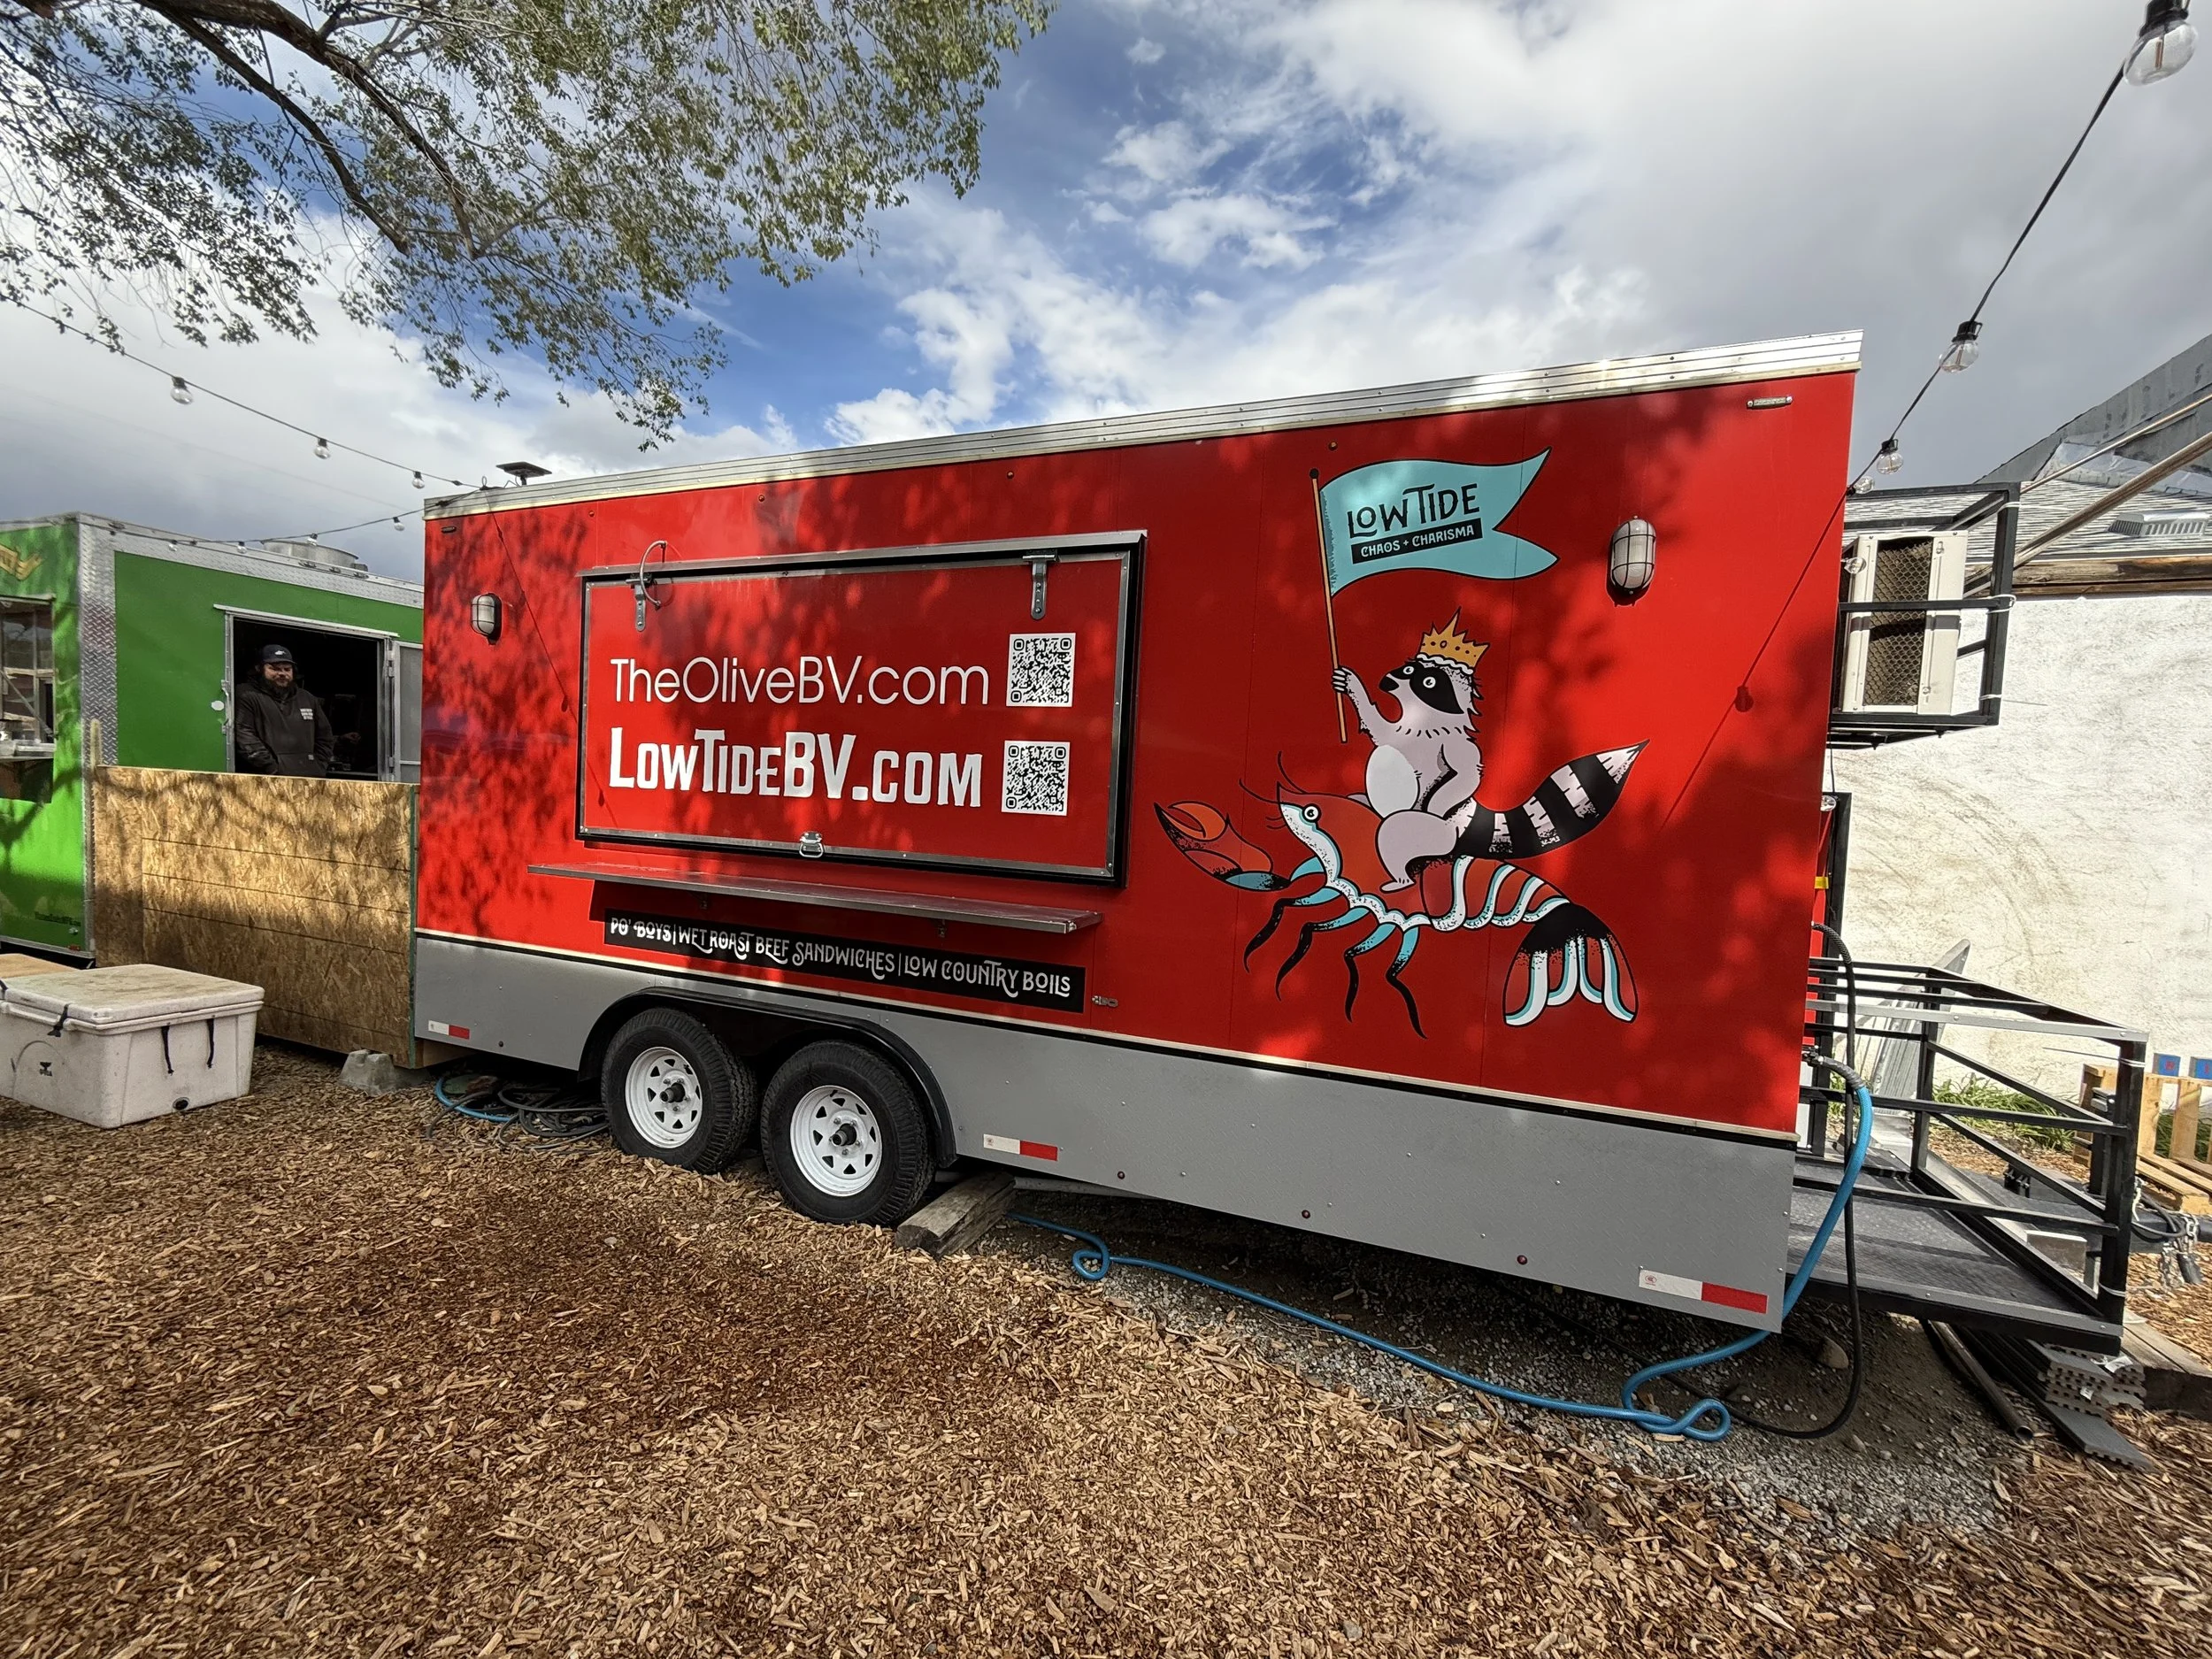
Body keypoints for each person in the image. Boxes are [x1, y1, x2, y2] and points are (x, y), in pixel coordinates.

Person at [234, 642, 334, 777]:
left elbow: (325, 737)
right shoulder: (246, 694)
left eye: (287, 669)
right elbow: (244, 734)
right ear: (259, 669)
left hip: (309, 778)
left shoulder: (308, 698)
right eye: (274, 669)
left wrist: (318, 767)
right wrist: (272, 769)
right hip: (263, 778)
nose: (282, 673)